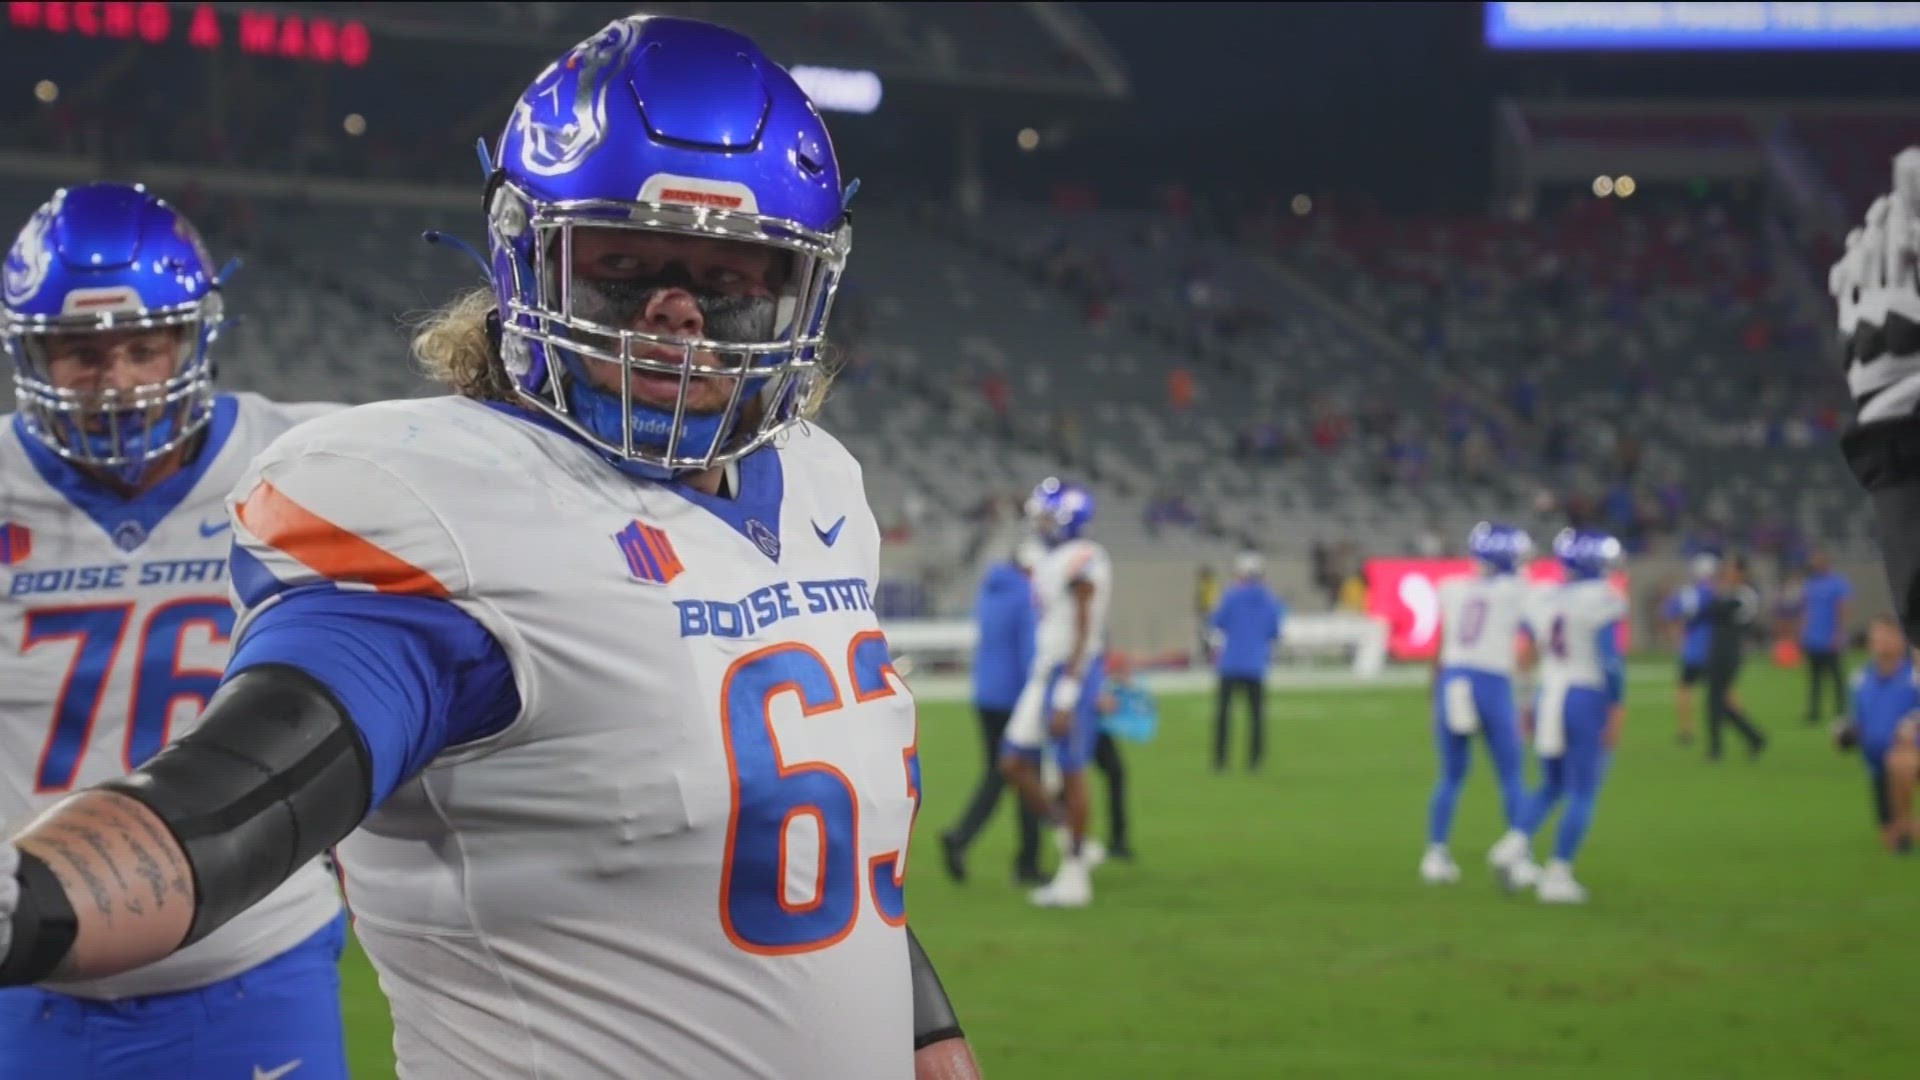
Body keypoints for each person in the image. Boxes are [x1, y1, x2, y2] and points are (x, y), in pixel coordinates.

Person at [0, 19, 981, 1079]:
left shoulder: (822, 483)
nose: (677, 320)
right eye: (625, 266)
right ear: (523, 256)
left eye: (733, 277)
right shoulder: (444, 503)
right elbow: (233, 808)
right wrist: (30, 906)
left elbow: (810, 836)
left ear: (804, 289)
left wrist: (925, 1034)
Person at [0, 183, 348, 1077]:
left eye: (144, 346)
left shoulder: (311, 463)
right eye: (80, 352)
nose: (115, 380)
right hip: (30, 967)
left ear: (195, 338)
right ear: (30, 353)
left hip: (254, 953)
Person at [1000, 476, 1112, 909]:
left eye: (1048, 515)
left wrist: (1070, 690)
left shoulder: (1085, 558)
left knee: (1072, 771)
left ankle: (1074, 876)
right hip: (1046, 671)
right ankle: (1073, 838)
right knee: (1012, 763)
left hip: (1070, 673)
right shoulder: (1055, 557)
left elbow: (1086, 629)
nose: (1041, 522)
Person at [1512, 529, 1628, 904]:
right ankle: (1558, 873)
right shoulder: (1604, 598)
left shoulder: (1543, 596)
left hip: (1549, 692)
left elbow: (1525, 654)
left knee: (1551, 783)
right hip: (1584, 693)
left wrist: (1527, 702)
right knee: (1582, 790)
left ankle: (1514, 847)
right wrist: (1616, 708)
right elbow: (1610, 661)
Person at [1422, 524, 1539, 888]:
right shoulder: (1518, 589)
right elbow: (1534, 640)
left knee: (1451, 775)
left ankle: (1435, 854)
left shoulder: (1454, 587)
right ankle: (1518, 856)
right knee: (1511, 774)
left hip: (1452, 679)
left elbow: (1442, 644)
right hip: (1491, 680)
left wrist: (1433, 693)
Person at [942, 540, 1043, 886]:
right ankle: (1026, 863)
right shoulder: (1026, 595)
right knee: (1027, 778)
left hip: (986, 694)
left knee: (999, 775)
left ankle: (962, 838)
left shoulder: (989, 590)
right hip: (1016, 697)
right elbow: (1031, 651)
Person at [1836, 615, 1920, 852]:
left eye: (1887, 635)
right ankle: (1902, 825)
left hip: (1910, 757)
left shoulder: (1914, 676)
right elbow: (1855, 720)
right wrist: (1844, 734)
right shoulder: (1860, 679)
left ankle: (1904, 821)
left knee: (1901, 761)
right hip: (1876, 764)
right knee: (1891, 839)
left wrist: (1912, 724)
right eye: (1877, 636)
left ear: (1901, 641)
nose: (1881, 641)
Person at [1208, 551, 1284, 773]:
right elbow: (1275, 631)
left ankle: (1221, 761)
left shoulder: (1231, 596)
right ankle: (1254, 761)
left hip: (1231, 662)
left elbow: (1217, 621)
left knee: (1223, 714)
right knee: (1257, 717)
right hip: (1256, 664)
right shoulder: (1269, 599)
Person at [1701, 555, 1769, 762]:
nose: (1727, 574)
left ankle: (1717, 748)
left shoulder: (1745, 594)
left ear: (1741, 572)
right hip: (1721, 648)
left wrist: (1717, 597)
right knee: (1717, 700)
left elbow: (1716, 610)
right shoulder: (1733, 593)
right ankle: (1753, 738)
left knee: (1715, 699)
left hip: (1729, 650)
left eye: (1731, 570)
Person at [1091, 651, 1154, 861]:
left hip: (1093, 725)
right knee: (1064, 785)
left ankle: (1118, 842)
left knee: (1116, 774)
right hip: (1075, 723)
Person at [1660, 553, 1718, 747]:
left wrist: (1677, 637)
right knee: (1725, 690)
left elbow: (1670, 612)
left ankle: (1686, 730)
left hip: (1693, 650)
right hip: (1714, 649)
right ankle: (1738, 722)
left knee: (1684, 689)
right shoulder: (1717, 592)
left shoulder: (1688, 593)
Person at [1800, 551, 1853, 725]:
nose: (1815, 564)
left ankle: (1841, 710)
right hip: (1813, 638)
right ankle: (1814, 711)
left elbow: (1843, 609)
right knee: (1814, 677)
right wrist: (1804, 631)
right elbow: (1807, 610)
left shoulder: (1838, 583)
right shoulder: (1810, 583)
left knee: (1836, 676)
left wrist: (1839, 633)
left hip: (1830, 637)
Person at [1194, 563, 1221, 661]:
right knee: (1206, 634)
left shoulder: (1209, 584)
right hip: (1207, 612)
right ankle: (1208, 654)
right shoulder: (1205, 584)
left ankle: (1211, 654)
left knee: (1209, 635)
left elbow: (1204, 600)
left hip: (1209, 612)